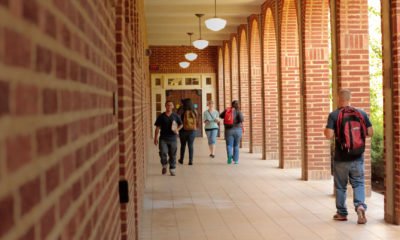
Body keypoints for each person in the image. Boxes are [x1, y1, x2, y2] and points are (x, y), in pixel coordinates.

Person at [324, 89, 373, 224]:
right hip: (357, 156)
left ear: (338, 98)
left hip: (341, 158)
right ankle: (360, 206)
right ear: (350, 98)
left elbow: (329, 135)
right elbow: (371, 132)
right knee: (358, 183)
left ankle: (341, 213)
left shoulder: (334, 115)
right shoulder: (361, 113)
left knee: (340, 186)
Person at [154, 100, 183, 176]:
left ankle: (172, 169)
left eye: (170, 105)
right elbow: (157, 127)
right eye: (168, 105)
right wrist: (155, 138)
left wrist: (177, 130)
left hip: (173, 139)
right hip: (163, 138)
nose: (169, 106)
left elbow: (181, 125)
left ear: (173, 107)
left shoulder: (176, 116)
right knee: (163, 152)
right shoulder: (161, 116)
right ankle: (164, 164)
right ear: (165, 106)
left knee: (173, 154)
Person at [220, 100, 244, 164]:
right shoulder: (239, 111)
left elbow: (221, 116)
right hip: (238, 130)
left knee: (229, 145)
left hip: (229, 130)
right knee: (236, 145)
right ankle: (236, 160)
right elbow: (242, 120)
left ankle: (230, 155)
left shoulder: (228, 110)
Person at [178, 98, 197, 165]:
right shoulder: (194, 110)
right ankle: (190, 161)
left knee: (183, 145)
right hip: (192, 131)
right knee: (190, 145)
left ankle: (181, 160)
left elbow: (178, 118)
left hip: (183, 130)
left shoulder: (181, 109)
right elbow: (196, 121)